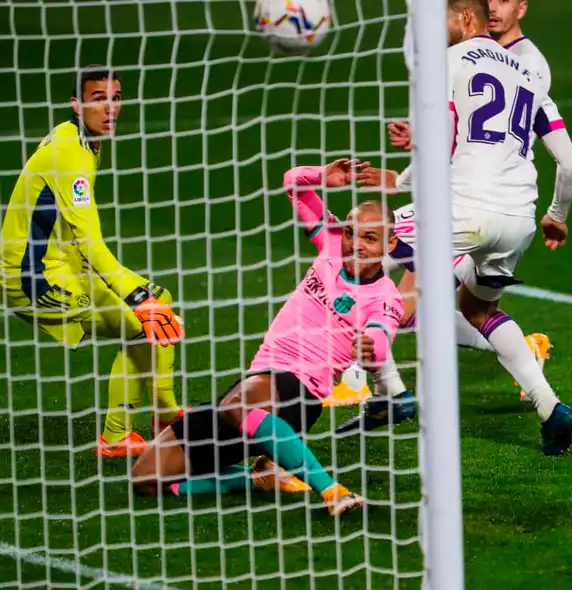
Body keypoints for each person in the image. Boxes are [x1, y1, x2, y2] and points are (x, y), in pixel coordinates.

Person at [345, 0, 572, 455]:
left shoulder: (449, 63)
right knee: (477, 310)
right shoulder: (531, 77)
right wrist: (557, 216)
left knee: (357, 252)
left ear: (464, 18)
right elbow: (569, 166)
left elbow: (444, 142)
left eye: (446, 20)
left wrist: (406, 166)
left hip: (464, 209)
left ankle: (385, 392)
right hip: (518, 219)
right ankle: (552, 409)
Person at [130, 160, 403, 516]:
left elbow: (380, 339)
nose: (355, 244)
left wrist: (370, 348)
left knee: (237, 405)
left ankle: (332, 490)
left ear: (390, 242)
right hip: (258, 381)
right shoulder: (332, 245)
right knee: (145, 480)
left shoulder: (385, 297)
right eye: (352, 232)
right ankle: (258, 478)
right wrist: (323, 176)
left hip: (300, 391)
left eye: (369, 238)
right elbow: (294, 184)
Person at [0, 65, 185, 457]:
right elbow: (90, 240)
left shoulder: (82, 142)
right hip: (33, 279)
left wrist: (144, 296)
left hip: (61, 264)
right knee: (140, 323)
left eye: (115, 98)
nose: (111, 108)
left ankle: (164, 412)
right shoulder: (69, 152)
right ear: (76, 104)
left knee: (159, 304)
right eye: (99, 99)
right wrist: (137, 296)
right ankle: (118, 437)